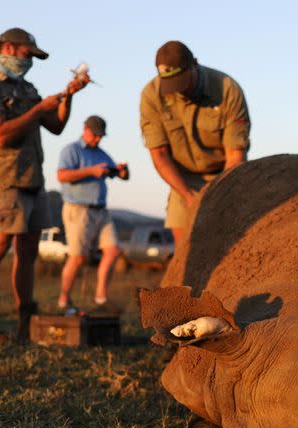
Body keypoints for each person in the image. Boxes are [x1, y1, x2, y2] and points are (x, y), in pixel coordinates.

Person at [0, 28, 89, 342]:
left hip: (34, 179)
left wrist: (69, 95)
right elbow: (1, 134)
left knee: (28, 251)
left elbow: (56, 126)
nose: (30, 62)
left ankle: (26, 322)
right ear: (8, 48)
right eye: (27, 54)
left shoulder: (28, 88)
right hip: (4, 179)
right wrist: (38, 110)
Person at [139, 40, 251, 245]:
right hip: (182, 179)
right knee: (186, 251)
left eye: (183, 82)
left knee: (230, 242)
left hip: (225, 175)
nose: (178, 91)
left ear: (195, 65)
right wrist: (188, 196)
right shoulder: (151, 96)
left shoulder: (227, 89)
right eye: (171, 85)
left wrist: (217, 196)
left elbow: (235, 156)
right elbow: (160, 155)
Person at [56, 115, 129, 315]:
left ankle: (101, 298)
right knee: (78, 257)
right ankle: (64, 299)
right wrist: (91, 171)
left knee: (113, 251)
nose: (98, 139)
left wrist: (122, 171)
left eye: (101, 136)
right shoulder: (71, 150)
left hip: (101, 210)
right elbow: (62, 176)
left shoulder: (102, 154)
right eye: (95, 135)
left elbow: (119, 176)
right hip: (78, 209)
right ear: (85, 129)